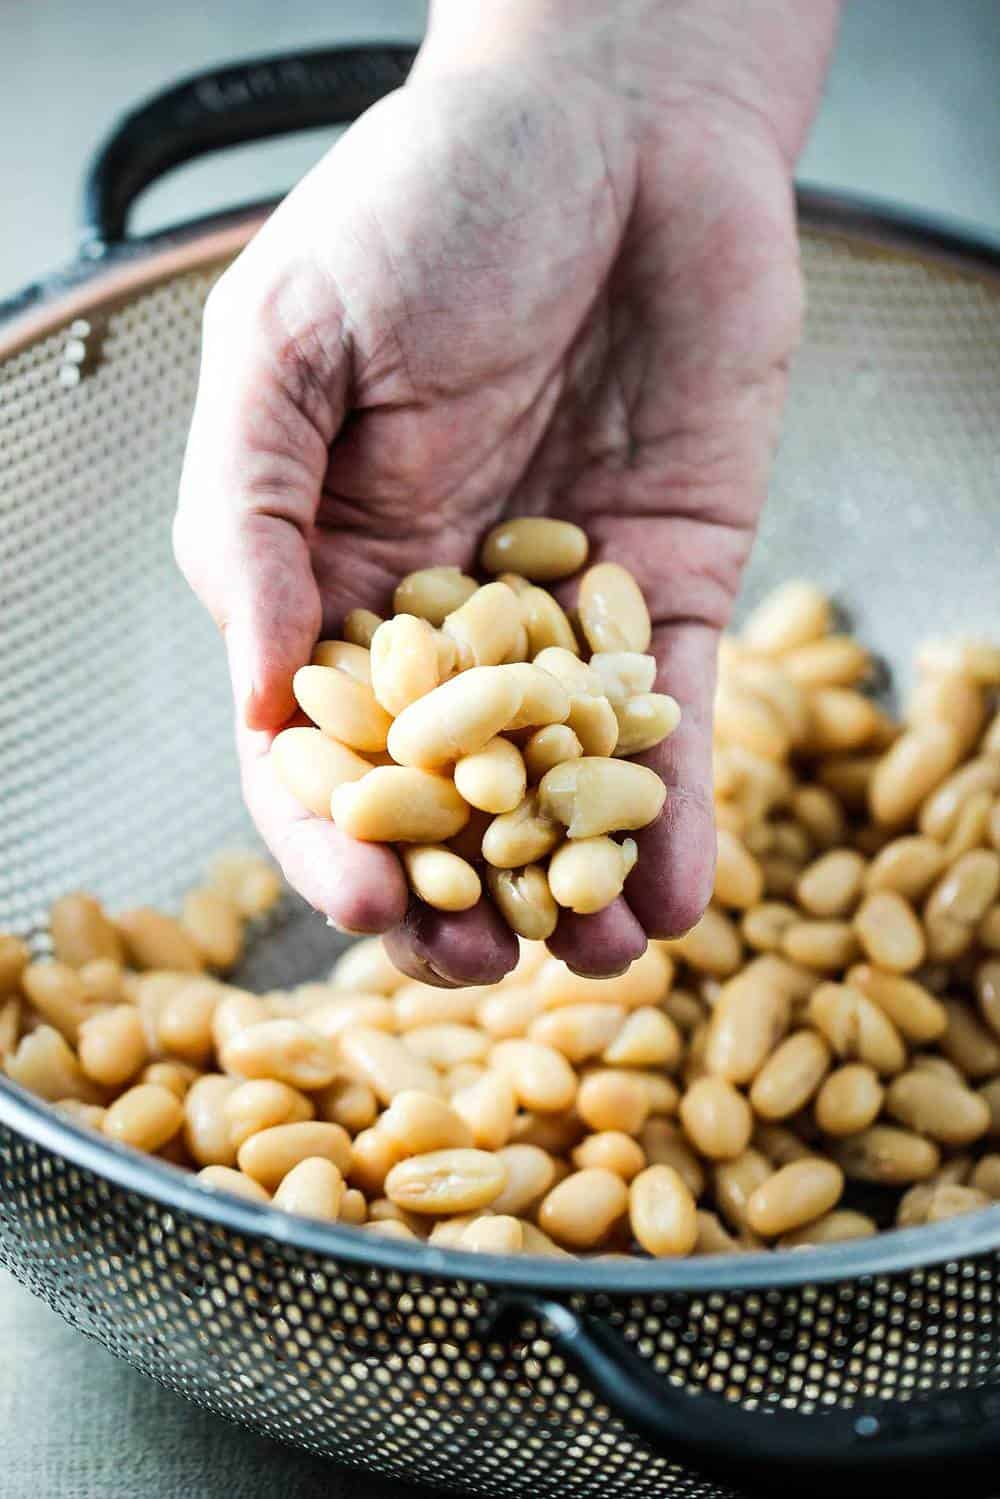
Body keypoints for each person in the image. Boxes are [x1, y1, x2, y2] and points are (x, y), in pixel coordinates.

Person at [174, 0, 841, 987]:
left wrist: (619, 78)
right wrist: (567, 70)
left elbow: (511, 734)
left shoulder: (552, 694)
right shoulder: (511, 690)